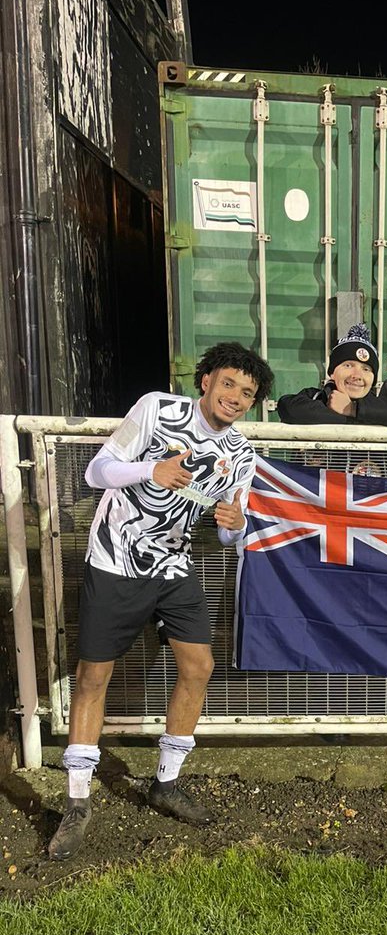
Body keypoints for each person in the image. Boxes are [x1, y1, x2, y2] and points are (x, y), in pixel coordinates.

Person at [48, 342, 274, 861]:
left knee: (199, 665)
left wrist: (235, 528)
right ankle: (78, 801)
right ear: (206, 381)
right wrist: (151, 472)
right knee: (93, 676)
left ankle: (166, 783)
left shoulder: (242, 455)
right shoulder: (156, 408)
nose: (236, 397)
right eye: (229, 384)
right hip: (115, 558)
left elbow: (227, 535)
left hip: (174, 565)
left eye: (248, 392)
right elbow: (95, 471)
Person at [276, 324, 387, 427]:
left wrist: (352, 409)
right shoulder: (314, 398)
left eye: (366, 369)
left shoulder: (381, 405)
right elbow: (287, 407)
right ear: (332, 372)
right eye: (348, 365)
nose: (357, 375)